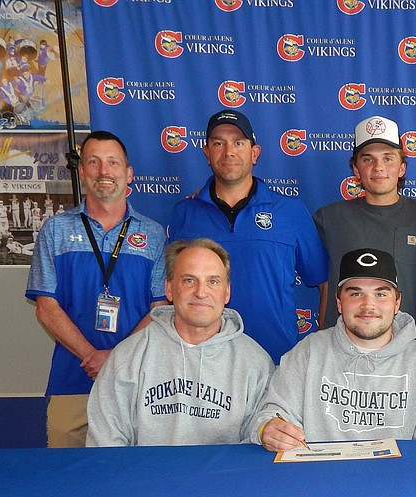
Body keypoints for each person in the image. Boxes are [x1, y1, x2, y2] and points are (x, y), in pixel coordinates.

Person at [26, 130, 165, 447]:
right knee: (67, 479)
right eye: (94, 162)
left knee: (134, 480)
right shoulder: (56, 230)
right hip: (72, 379)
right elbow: (46, 307)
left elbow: (159, 310)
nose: (104, 171)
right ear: (82, 171)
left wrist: (115, 358)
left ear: (128, 173)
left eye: (113, 162)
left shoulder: (153, 235)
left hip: (137, 382)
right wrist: (92, 356)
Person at [252, 248, 416, 450]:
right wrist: (267, 429)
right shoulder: (307, 353)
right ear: (339, 302)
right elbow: (271, 413)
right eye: (356, 293)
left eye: (381, 294)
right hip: (318, 477)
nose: (368, 305)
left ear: (397, 303)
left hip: (395, 480)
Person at [168, 109, 328, 364]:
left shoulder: (291, 211)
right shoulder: (185, 213)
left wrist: (322, 350)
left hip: (275, 363)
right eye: (218, 143)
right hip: (201, 364)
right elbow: (172, 288)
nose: (228, 151)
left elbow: (324, 282)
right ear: (206, 153)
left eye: (238, 143)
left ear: (255, 153)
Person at [87, 238, 273, 447]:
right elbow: (106, 445)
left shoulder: (256, 364)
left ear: (227, 292)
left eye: (213, 281)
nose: (201, 292)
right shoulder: (127, 357)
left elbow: (257, 444)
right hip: (145, 478)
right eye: (189, 280)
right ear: (169, 289)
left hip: (224, 479)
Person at [312, 115, 416, 332]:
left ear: (402, 168)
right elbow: (320, 283)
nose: (378, 167)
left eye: (388, 158)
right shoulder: (329, 219)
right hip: (343, 345)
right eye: (367, 159)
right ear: (356, 170)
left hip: (405, 347)